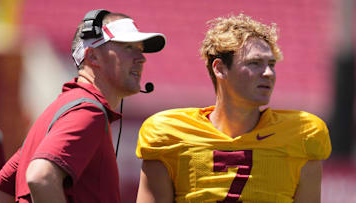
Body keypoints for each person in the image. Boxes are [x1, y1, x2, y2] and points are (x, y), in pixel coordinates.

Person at [136, 13, 331, 203]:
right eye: (254, 63)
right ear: (220, 68)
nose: (268, 73)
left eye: (271, 64)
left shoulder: (302, 134)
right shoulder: (170, 134)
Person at [0, 9, 165, 203]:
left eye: (140, 48)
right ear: (92, 56)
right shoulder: (88, 110)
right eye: (128, 47)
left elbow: (2, 192)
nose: (141, 58)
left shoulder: (60, 110)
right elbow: (41, 177)